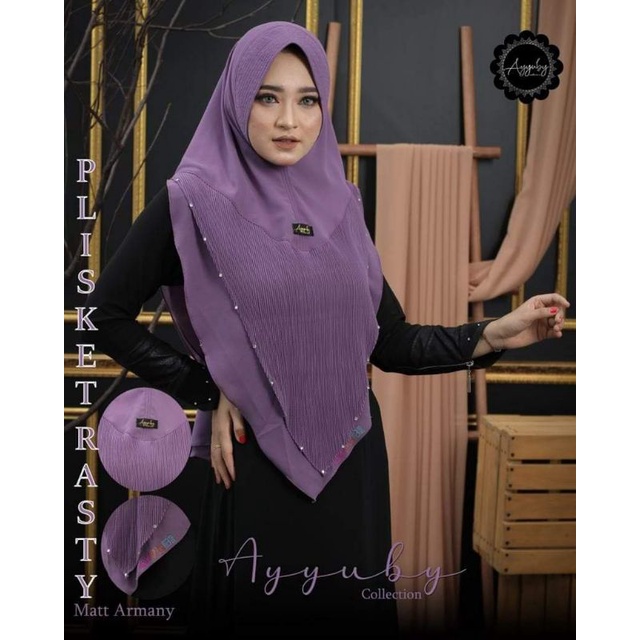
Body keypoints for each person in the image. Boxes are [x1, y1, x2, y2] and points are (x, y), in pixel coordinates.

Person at [87, 21, 569, 639]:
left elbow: (391, 341)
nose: (290, 119)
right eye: (268, 97)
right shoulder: (192, 201)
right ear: (236, 100)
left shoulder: (342, 208)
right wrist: (209, 389)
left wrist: (496, 334)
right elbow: (105, 316)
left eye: (307, 99)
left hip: (352, 463)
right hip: (255, 462)